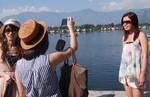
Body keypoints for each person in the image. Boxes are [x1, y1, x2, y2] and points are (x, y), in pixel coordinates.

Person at [15, 17, 77, 97]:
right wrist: (71, 28)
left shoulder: (18, 65)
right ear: (44, 40)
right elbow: (73, 48)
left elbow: (22, 94)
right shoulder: (50, 59)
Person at [119, 12, 148, 97]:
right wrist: (121, 73)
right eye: (123, 22)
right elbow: (124, 57)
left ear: (134, 22)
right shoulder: (124, 37)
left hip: (137, 73)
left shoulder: (141, 35)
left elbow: (145, 56)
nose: (125, 24)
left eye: (127, 21)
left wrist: (142, 74)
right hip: (125, 73)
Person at [0, 19, 21, 97]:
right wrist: (5, 74)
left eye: (14, 30)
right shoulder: (0, 48)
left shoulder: (24, 49)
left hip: (19, 88)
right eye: (8, 30)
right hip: (3, 87)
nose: (11, 33)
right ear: (4, 33)